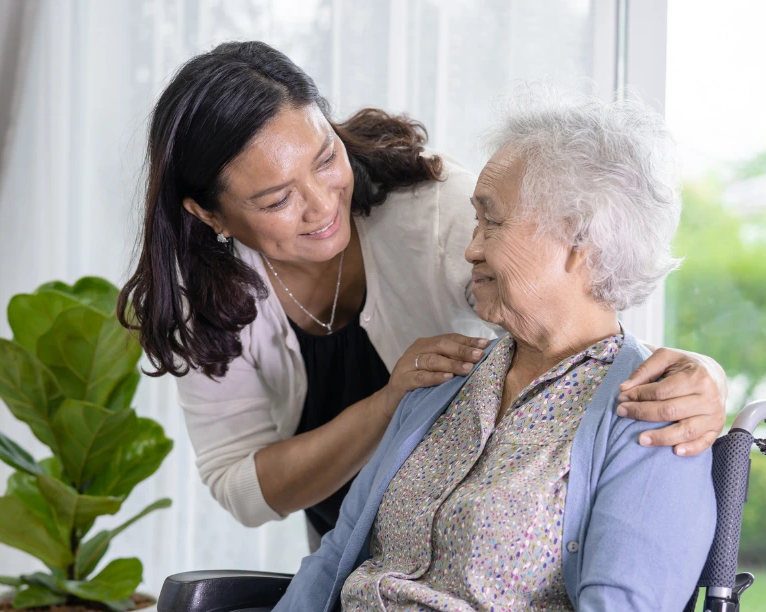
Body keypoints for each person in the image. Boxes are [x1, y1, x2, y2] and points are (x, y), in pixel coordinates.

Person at [83, 86, 717, 612]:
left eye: (491, 222)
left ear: (579, 241)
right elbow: (329, 569)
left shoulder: (650, 422)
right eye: (475, 218)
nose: (470, 245)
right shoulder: (441, 381)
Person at [119, 41, 727, 551]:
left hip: (475, 550)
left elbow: (592, 311)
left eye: (326, 157)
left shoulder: (441, 214)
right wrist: (389, 404)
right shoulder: (203, 296)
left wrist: (701, 376)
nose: (323, 202)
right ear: (208, 214)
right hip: (357, 563)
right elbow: (243, 488)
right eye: (277, 200)